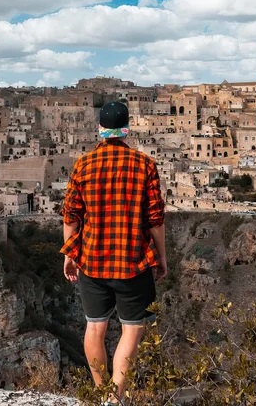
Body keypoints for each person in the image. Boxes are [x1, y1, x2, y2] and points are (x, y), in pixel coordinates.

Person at [60, 101, 167, 405]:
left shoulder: (84, 164)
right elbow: (155, 219)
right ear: (126, 129)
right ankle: (115, 398)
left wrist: (69, 254)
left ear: (100, 130)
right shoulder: (144, 164)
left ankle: (99, 391)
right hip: (133, 261)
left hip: (92, 262)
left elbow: (70, 216)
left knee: (95, 326)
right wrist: (161, 257)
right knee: (132, 330)